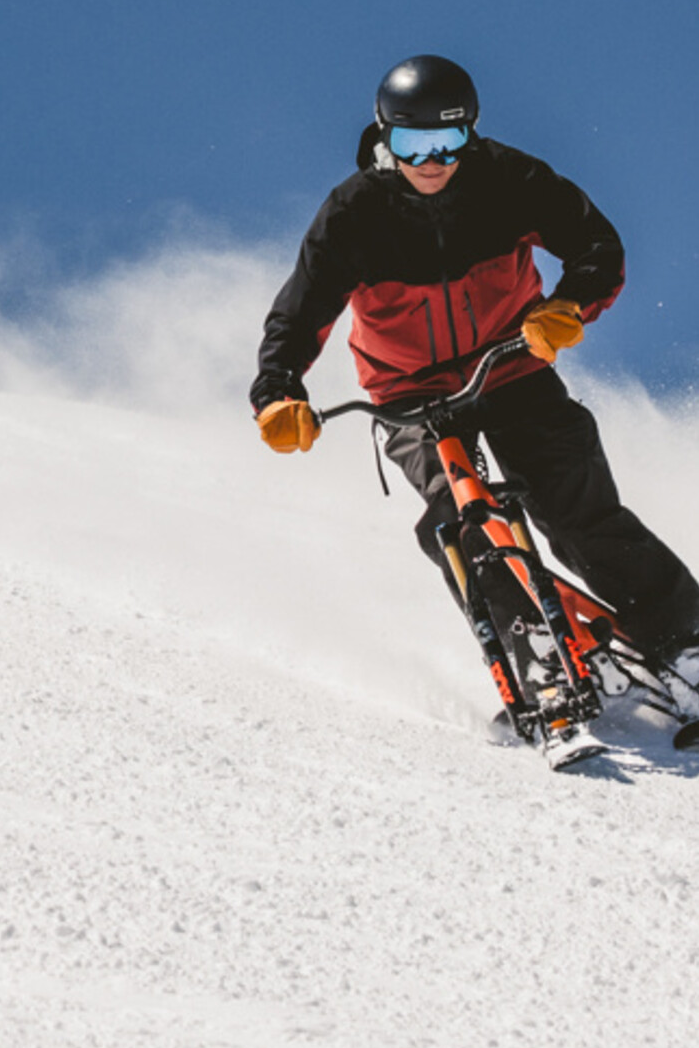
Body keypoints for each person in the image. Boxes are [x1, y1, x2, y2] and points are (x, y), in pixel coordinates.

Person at [250, 53, 699, 688]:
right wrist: (277, 392)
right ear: (384, 137)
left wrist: (569, 306)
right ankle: (537, 660)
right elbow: (298, 314)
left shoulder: (508, 179)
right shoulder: (353, 214)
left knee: (575, 508)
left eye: (449, 140)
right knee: (458, 521)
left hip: (511, 367)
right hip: (409, 394)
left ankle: (687, 638)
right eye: (412, 144)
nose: (431, 162)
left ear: (472, 132)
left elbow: (597, 245)